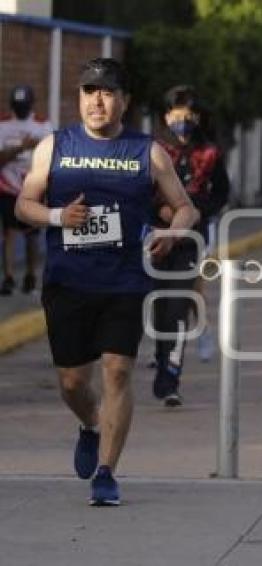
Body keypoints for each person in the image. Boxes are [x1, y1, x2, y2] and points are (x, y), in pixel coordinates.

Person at [15, 58, 198, 505]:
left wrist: (172, 231)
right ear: (79, 98)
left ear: (124, 101)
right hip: (68, 281)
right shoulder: (54, 147)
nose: (97, 100)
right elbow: (24, 206)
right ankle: (91, 426)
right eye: (89, 91)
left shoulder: (148, 151)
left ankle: (106, 472)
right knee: (73, 383)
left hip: (124, 281)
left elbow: (186, 206)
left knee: (117, 371)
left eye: (107, 92)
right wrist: (59, 216)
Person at [152, 85, 230, 406]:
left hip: (191, 241)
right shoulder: (154, 151)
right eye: (176, 112)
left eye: (189, 113)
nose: (182, 119)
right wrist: (161, 211)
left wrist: (198, 211)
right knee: (159, 309)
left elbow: (222, 192)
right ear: (165, 116)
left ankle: (170, 378)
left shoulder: (209, 153)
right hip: (156, 240)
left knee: (178, 307)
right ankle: (160, 358)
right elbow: (141, 191)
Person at [0, 85, 52, 295]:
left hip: (33, 185)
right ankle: (9, 277)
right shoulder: (3, 124)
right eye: (17, 106)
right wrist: (21, 147)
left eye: (24, 106)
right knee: (9, 232)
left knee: (32, 233)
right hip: (7, 185)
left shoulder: (43, 124)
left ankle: (30, 276)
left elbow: (51, 154)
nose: (21, 110)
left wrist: (37, 145)